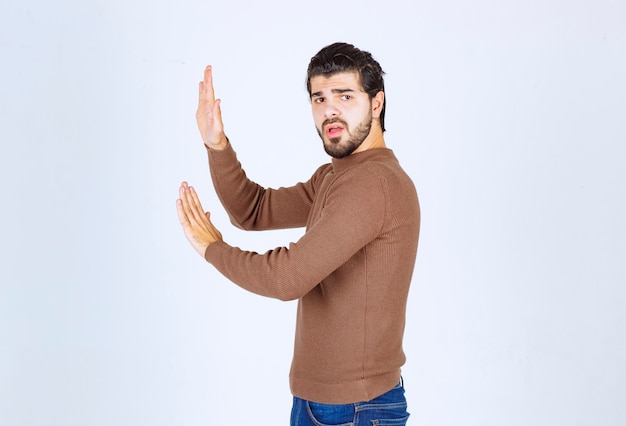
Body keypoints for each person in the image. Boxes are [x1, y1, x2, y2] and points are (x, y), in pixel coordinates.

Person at [176, 42, 420, 425]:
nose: (329, 110)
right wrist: (216, 144)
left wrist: (213, 249)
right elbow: (253, 210)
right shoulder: (336, 176)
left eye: (345, 95)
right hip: (326, 404)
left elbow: (287, 278)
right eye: (319, 98)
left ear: (376, 104)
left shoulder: (373, 183)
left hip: (355, 409)